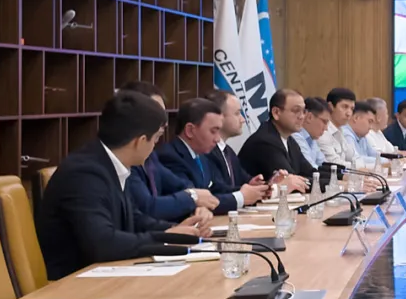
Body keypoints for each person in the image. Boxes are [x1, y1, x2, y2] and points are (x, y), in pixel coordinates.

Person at [36, 91, 210, 280]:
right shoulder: (85, 173)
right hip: (72, 283)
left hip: (102, 275)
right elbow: (103, 243)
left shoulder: (109, 163)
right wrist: (164, 238)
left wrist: (173, 230)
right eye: (156, 138)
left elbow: (133, 217)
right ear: (140, 141)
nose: (155, 146)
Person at [119, 81, 216, 223]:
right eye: (156, 114)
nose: (165, 123)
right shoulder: (125, 158)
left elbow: (181, 185)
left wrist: (197, 202)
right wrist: (193, 198)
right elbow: (149, 207)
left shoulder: (151, 156)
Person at [158, 98, 268, 214]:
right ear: (190, 130)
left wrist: (254, 191)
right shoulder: (170, 157)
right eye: (213, 131)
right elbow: (196, 200)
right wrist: (241, 197)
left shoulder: (202, 156)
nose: (217, 139)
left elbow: (216, 189)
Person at [204, 90, 306, 194]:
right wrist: (272, 189)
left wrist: (269, 183)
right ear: (218, 117)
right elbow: (219, 192)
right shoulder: (207, 152)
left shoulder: (228, 152)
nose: (243, 119)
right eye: (237, 113)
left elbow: (247, 183)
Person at [238, 89, 314, 179]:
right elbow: (289, 180)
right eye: (296, 110)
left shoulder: (290, 141)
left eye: (304, 111)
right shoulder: (264, 142)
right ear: (276, 113)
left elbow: (310, 173)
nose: (301, 116)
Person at [317, 87, 357, 164]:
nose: (349, 113)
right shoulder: (322, 131)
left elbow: (353, 157)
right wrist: (360, 168)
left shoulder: (341, 130)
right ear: (330, 107)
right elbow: (334, 163)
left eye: (352, 109)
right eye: (345, 107)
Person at [292, 97, 331, 169]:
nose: (326, 128)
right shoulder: (295, 137)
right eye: (324, 122)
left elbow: (323, 164)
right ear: (309, 117)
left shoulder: (312, 139)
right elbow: (311, 168)